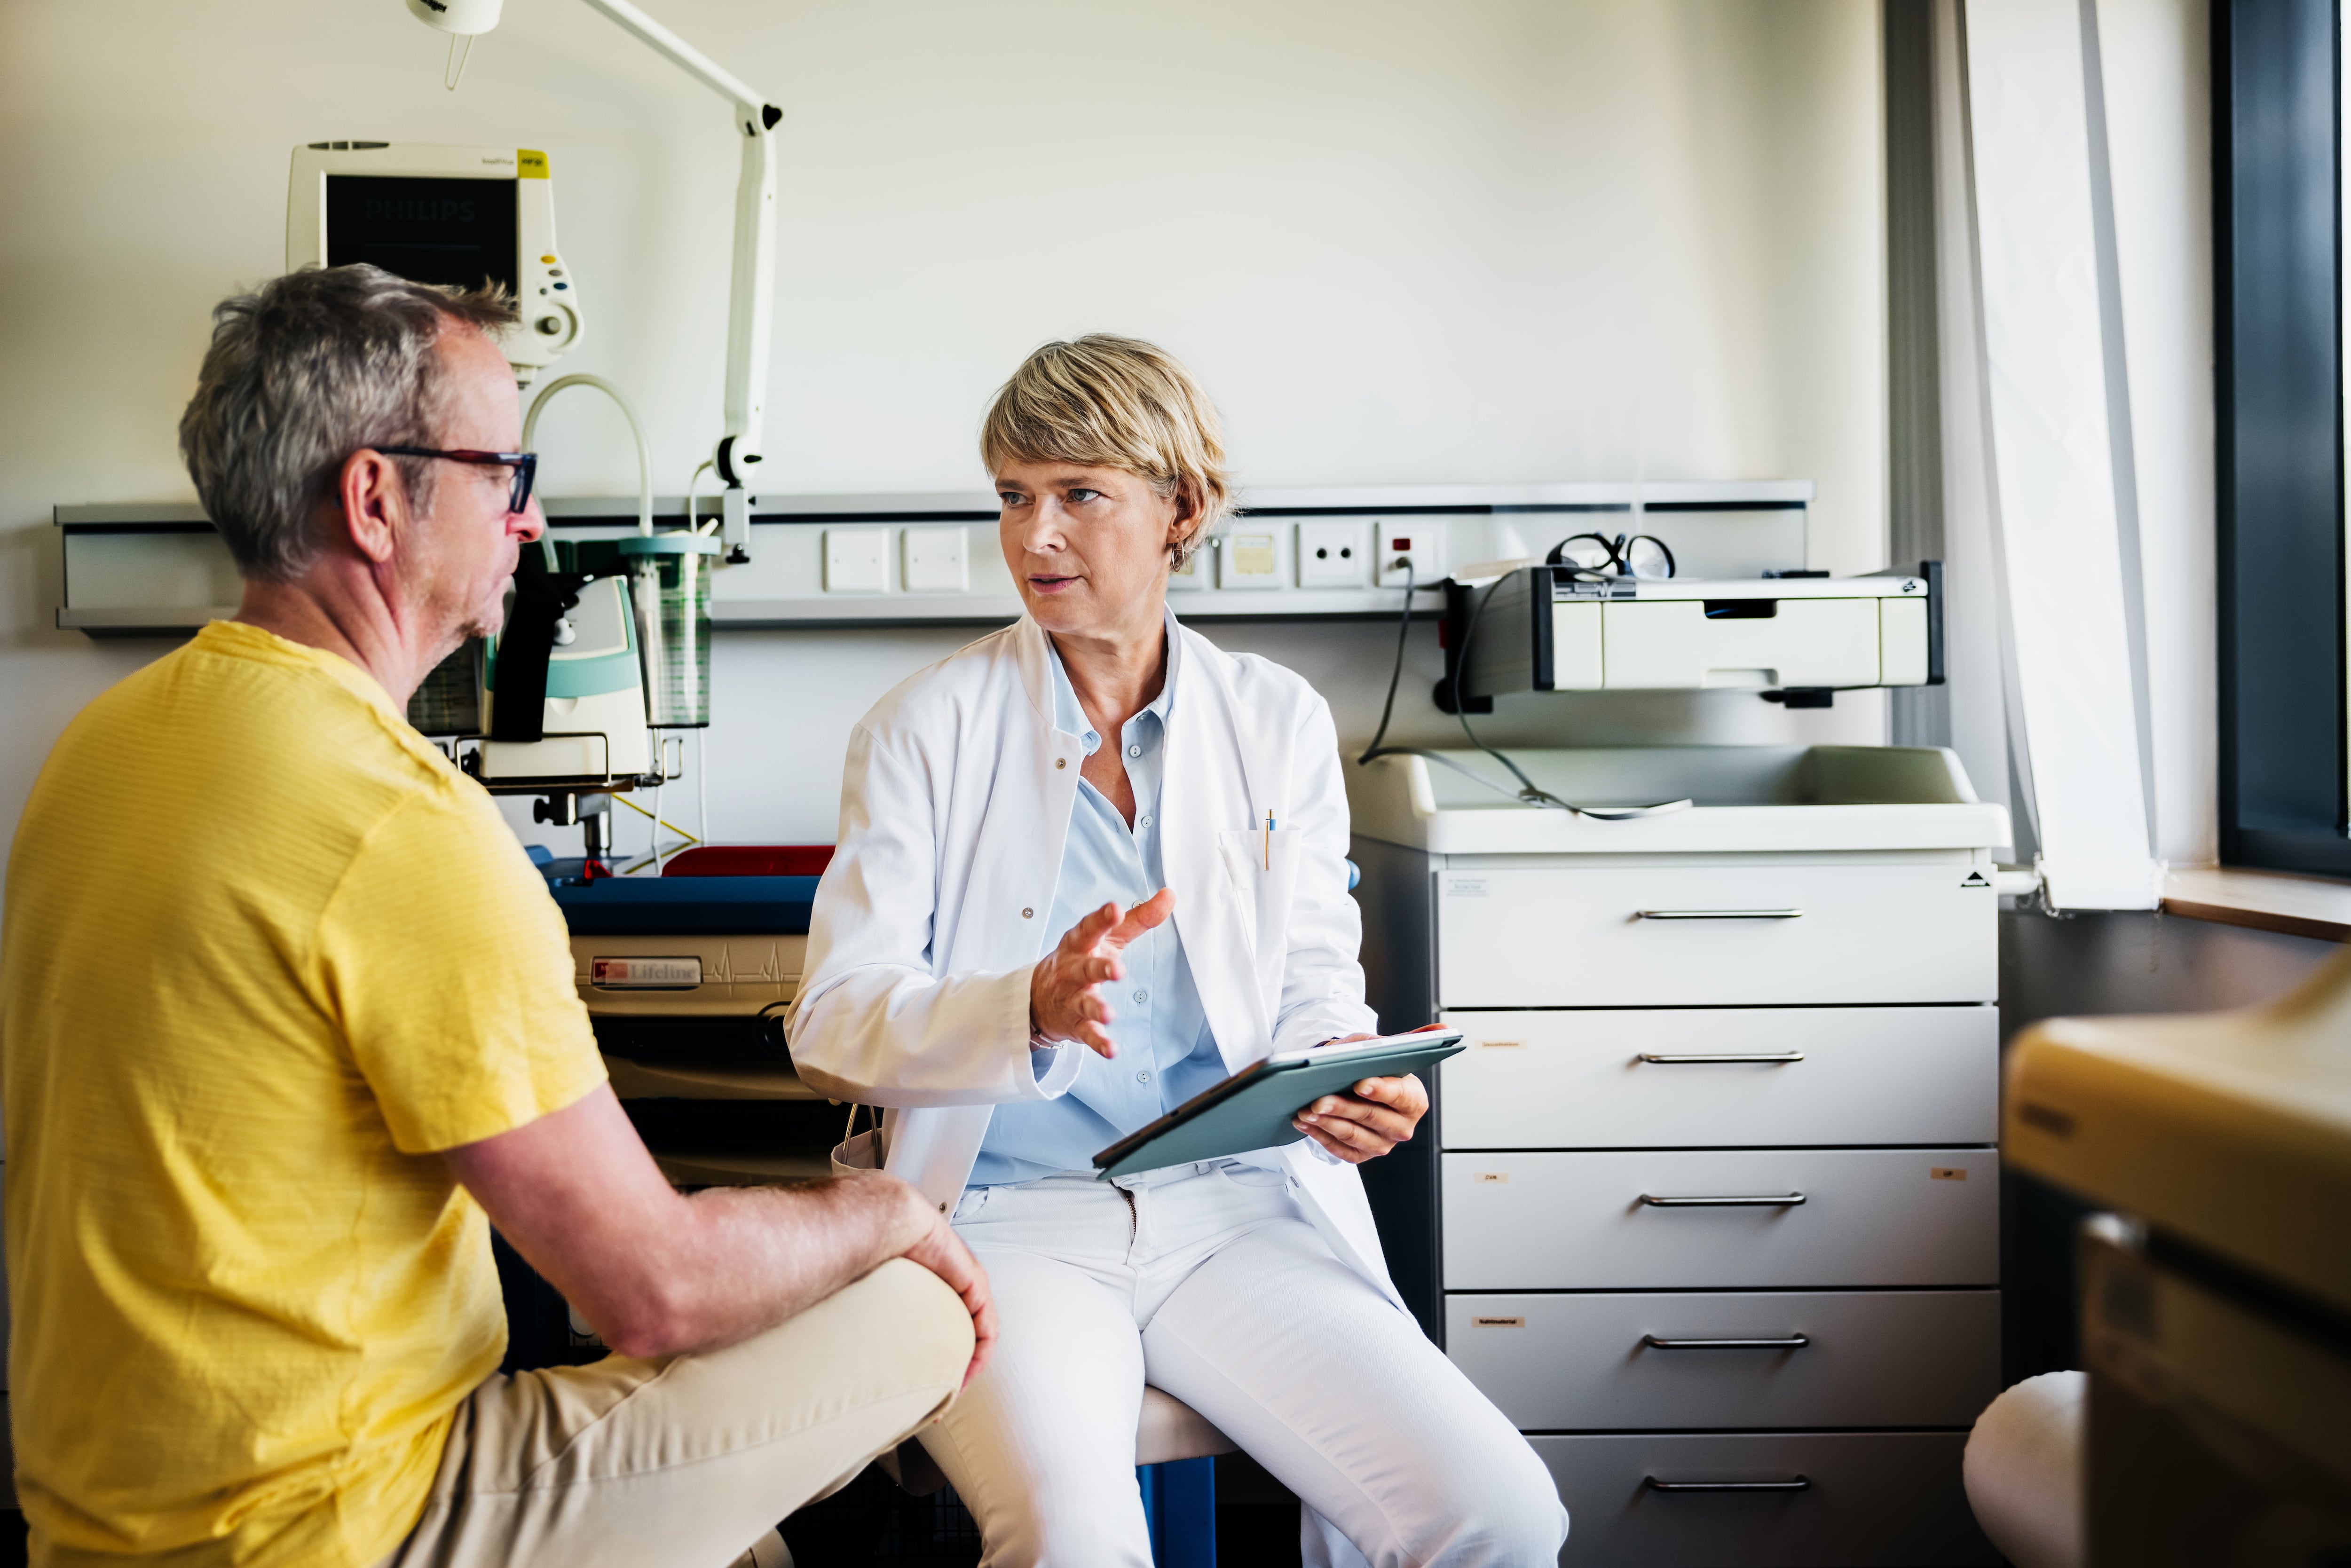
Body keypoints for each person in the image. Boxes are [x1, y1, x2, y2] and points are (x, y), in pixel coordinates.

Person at [0, 264, 991, 1568]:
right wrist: (889, 1215)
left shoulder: (104, 746)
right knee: (917, 1312)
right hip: (342, 1522)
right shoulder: (399, 824)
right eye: (504, 476)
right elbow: (654, 1291)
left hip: (100, 1517)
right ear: (373, 499)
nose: (529, 523)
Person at [788, 334, 1568, 1567]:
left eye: (1079, 494)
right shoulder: (924, 729)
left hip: (1236, 1215)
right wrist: (1024, 1008)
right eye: (1012, 496)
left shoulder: (1273, 720)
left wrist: (1345, 1079)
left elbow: (1315, 981)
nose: (1034, 535)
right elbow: (834, 1024)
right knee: (1073, 1546)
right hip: (1011, 1218)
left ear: (1180, 512)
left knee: (1498, 1513)